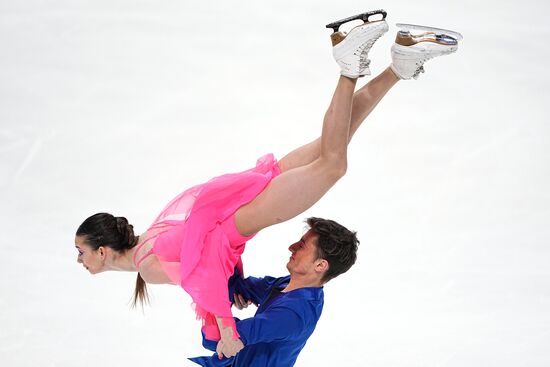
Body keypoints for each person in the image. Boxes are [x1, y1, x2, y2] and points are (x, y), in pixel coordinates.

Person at [74, 9, 461, 358]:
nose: (79, 259)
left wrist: (225, 325)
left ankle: (347, 64)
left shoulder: (150, 268)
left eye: (81, 251)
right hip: (238, 197)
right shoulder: (148, 240)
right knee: (334, 144)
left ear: (104, 251)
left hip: (243, 216)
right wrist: (237, 283)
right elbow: (202, 248)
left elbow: (203, 264)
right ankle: (401, 63)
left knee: (333, 164)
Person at [189, 217, 359, 367]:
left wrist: (218, 308)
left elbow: (218, 338)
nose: (291, 248)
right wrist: (228, 242)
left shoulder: (293, 314)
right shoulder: (289, 283)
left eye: (301, 246)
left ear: (320, 265)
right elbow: (241, 286)